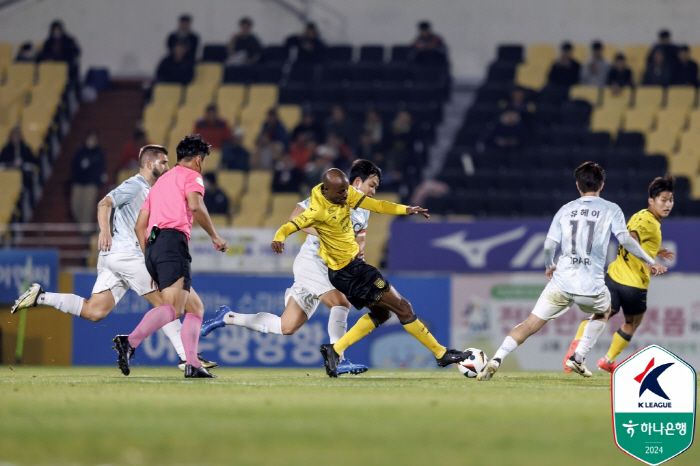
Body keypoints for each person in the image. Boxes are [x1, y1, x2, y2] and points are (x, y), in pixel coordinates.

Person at [11, 145, 218, 372]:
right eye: (163, 162)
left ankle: (41, 297)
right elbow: (104, 203)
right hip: (129, 255)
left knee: (95, 311)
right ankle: (186, 358)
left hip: (114, 259)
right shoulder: (135, 185)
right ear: (149, 164)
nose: (168, 167)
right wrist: (104, 230)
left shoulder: (154, 189)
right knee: (168, 304)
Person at [270, 168, 471, 377]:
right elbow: (292, 224)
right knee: (404, 307)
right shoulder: (317, 211)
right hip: (349, 272)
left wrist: (407, 209)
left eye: (346, 191)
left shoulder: (349, 198)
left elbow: (378, 205)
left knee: (382, 313)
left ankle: (335, 350)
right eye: (340, 192)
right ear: (327, 191)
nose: (345, 195)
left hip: (351, 270)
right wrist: (279, 238)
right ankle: (441, 353)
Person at [477, 162, 668, 381]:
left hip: (562, 281)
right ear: (602, 185)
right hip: (591, 286)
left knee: (529, 324)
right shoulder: (611, 208)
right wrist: (649, 260)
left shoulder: (565, 209)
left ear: (578, 185)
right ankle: (579, 355)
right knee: (604, 311)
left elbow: (549, 246)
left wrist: (549, 265)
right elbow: (625, 239)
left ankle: (497, 359)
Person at [203, 160, 390, 375]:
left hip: (331, 266)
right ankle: (338, 359)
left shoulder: (364, 209)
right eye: (372, 185)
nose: (374, 191)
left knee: (287, 326)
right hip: (312, 261)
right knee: (340, 303)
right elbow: (295, 216)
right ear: (357, 182)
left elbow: (360, 240)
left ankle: (228, 317)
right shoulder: (331, 195)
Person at [112, 135, 228, 379]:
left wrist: (150, 261)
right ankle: (129, 342)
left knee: (195, 307)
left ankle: (192, 363)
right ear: (198, 160)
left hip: (153, 246)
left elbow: (139, 226)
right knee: (173, 309)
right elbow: (195, 206)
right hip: (173, 243)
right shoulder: (192, 176)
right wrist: (215, 236)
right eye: (203, 160)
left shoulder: (161, 182)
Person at [563, 175, 676, 374]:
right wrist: (649, 262)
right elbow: (631, 239)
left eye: (670, 200)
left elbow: (632, 238)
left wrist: (654, 251)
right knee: (632, 323)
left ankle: (576, 348)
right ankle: (608, 360)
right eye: (663, 200)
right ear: (651, 200)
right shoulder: (649, 223)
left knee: (600, 315)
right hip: (633, 285)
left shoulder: (640, 215)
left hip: (613, 277)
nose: (668, 205)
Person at [71, 130, 106, 226]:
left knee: (87, 208)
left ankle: (85, 232)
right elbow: (74, 167)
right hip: (79, 183)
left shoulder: (99, 154)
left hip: (91, 184)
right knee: (75, 206)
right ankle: (80, 225)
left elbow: (100, 169)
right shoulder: (80, 152)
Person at [0, 127, 37, 203]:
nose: (15, 137)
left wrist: (22, 164)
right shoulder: (6, 149)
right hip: (9, 174)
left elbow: (33, 161)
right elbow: (2, 161)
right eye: (14, 135)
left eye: (17, 135)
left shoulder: (26, 148)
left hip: (23, 174)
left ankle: (29, 199)